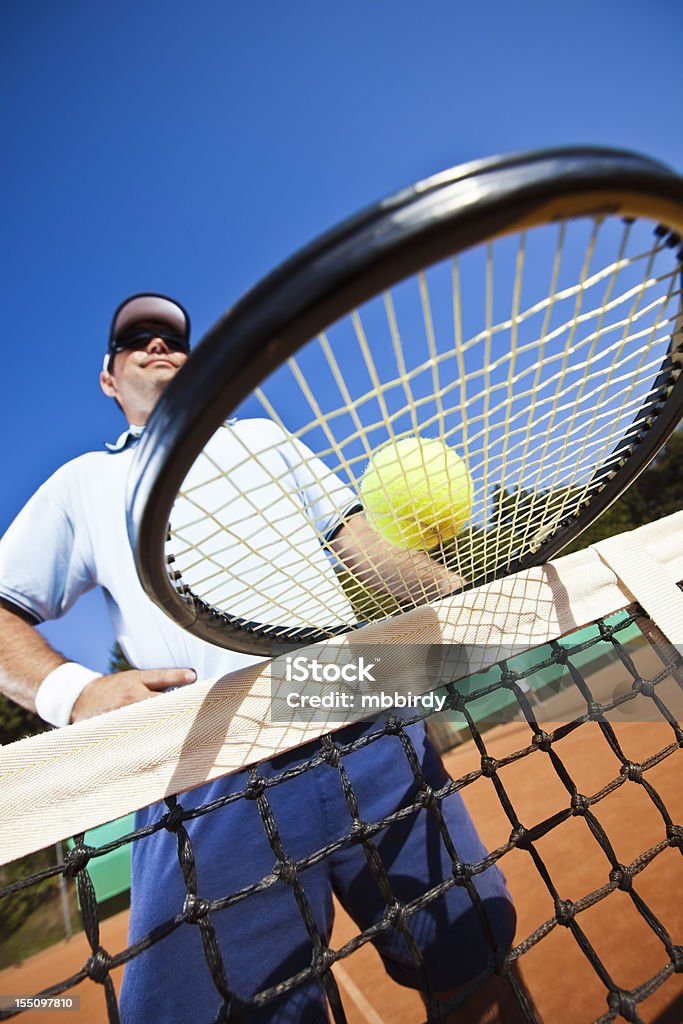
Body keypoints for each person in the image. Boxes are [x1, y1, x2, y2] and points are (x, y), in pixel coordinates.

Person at [0, 294, 527, 1023]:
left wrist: (450, 585)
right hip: (207, 758)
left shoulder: (263, 441)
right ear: (108, 380)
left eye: (174, 340)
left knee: (471, 957)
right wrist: (75, 692)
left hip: (358, 707)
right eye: (135, 340)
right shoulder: (81, 483)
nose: (159, 346)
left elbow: (358, 543)